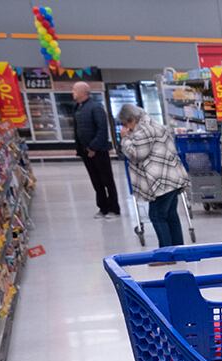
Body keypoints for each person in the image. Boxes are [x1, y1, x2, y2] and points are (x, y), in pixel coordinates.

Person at [117, 104, 190, 248]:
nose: (127, 128)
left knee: (157, 215)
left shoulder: (143, 130)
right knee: (170, 214)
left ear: (131, 119)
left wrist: (124, 139)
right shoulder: (152, 123)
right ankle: (178, 249)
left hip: (160, 180)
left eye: (126, 124)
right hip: (172, 177)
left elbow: (136, 154)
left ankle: (166, 254)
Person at [72, 82, 120, 218]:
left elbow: (102, 130)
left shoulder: (96, 107)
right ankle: (103, 208)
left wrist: (93, 147)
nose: (72, 92)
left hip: (98, 151)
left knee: (107, 180)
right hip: (85, 151)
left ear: (83, 91)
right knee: (96, 181)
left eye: (75, 90)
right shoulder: (77, 108)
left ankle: (114, 208)